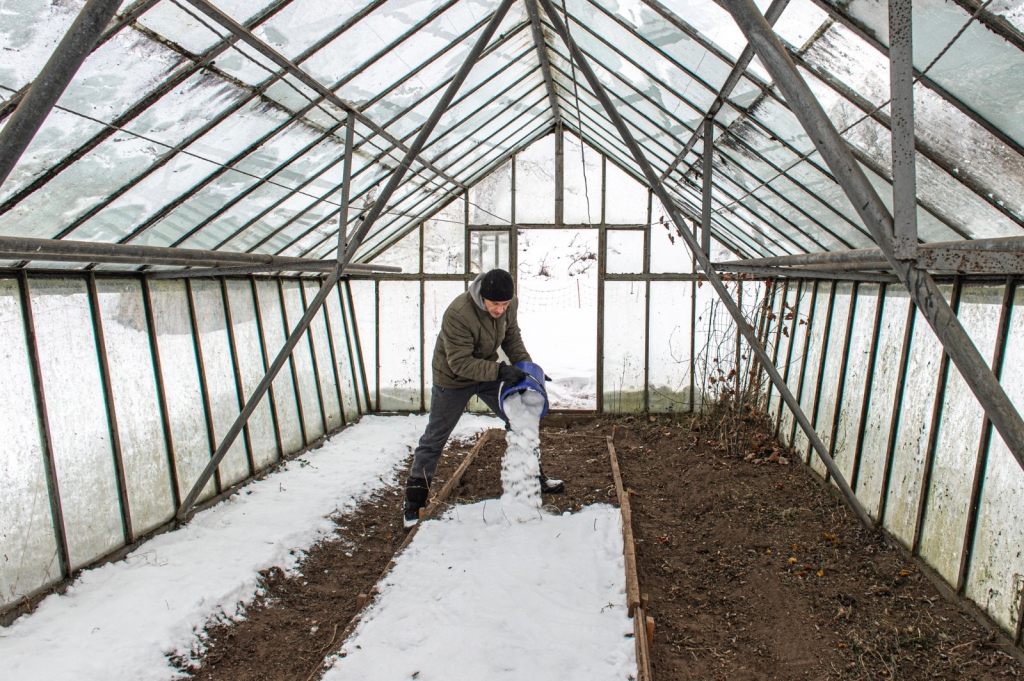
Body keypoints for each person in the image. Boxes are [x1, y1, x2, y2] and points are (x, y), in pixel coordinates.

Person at [403, 268, 564, 528]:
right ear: (482, 298)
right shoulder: (459, 314)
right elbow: (459, 363)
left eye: (505, 304)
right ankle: (413, 503)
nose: (500, 310)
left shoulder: (509, 306)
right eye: (495, 304)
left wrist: (525, 367)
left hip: (487, 370)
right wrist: (501, 370)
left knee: (521, 416)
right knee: (435, 437)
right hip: (453, 379)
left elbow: (512, 337)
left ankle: (534, 477)